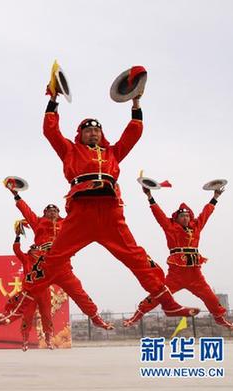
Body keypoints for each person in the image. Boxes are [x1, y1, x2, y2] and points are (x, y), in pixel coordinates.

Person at [26, 91, 199, 318]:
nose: (93, 134)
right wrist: (54, 99)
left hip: (110, 215)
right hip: (81, 214)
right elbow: (50, 131)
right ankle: (19, 306)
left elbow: (133, 134)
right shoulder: (70, 150)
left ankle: (168, 304)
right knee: (53, 260)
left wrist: (136, 102)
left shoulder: (112, 153)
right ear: (80, 134)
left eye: (97, 131)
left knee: (138, 258)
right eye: (88, 131)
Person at [0, 192, 114, 335]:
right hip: (44, 267)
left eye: (55, 210)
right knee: (28, 291)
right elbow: (26, 211)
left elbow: (81, 220)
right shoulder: (38, 223)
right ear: (44, 213)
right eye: (49, 211)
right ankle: (9, 316)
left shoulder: (66, 223)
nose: (52, 212)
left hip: (63, 266)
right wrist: (16, 195)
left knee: (78, 292)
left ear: (59, 212)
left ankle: (95, 317)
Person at [123, 187, 233, 330]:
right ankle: (135, 317)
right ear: (176, 218)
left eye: (188, 216)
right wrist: (149, 196)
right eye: (182, 216)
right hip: (176, 275)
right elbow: (159, 215)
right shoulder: (170, 227)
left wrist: (215, 198)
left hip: (195, 275)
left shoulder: (196, 227)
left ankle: (220, 319)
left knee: (211, 298)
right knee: (158, 294)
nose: (186, 218)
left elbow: (205, 214)